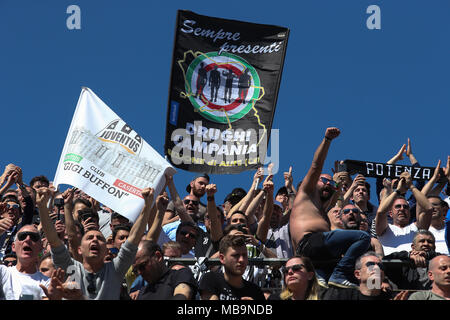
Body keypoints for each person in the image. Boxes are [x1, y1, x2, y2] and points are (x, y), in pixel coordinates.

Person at [39, 186, 154, 299]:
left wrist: (147, 205)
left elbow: (134, 238)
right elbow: (54, 241)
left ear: (106, 250)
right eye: (89, 238)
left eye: (99, 238)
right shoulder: (70, 268)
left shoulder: (115, 269)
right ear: (79, 249)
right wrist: (42, 206)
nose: (94, 239)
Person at [290, 127, 371, 287]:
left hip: (316, 256)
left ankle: (333, 277)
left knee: (325, 289)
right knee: (363, 237)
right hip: (311, 242)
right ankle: (340, 274)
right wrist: (327, 140)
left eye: (331, 182)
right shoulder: (305, 193)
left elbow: (337, 198)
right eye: (324, 181)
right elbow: (316, 166)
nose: (328, 184)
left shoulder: (321, 206)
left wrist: (339, 183)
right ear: (314, 182)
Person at [375, 171, 434, 255]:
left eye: (405, 207)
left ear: (409, 212)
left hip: (415, 265)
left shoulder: (417, 228)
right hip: (391, 266)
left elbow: (428, 208)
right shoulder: (385, 229)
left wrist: (411, 186)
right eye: (398, 206)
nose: (402, 209)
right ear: (390, 213)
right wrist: (398, 190)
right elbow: (381, 212)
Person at [198, 234, 265, 300]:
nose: (241, 260)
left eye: (244, 255)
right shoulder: (210, 279)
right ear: (222, 258)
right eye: (236, 255)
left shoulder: (255, 291)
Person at [322, 252, 406, 300]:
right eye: (370, 264)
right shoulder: (342, 296)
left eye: (380, 266)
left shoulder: (395, 297)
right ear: (358, 274)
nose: (376, 268)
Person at [0, 224, 53, 300]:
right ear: (13, 247)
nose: (28, 239)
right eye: (22, 236)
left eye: (34, 237)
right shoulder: (3, 273)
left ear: (40, 247)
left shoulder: (47, 282)